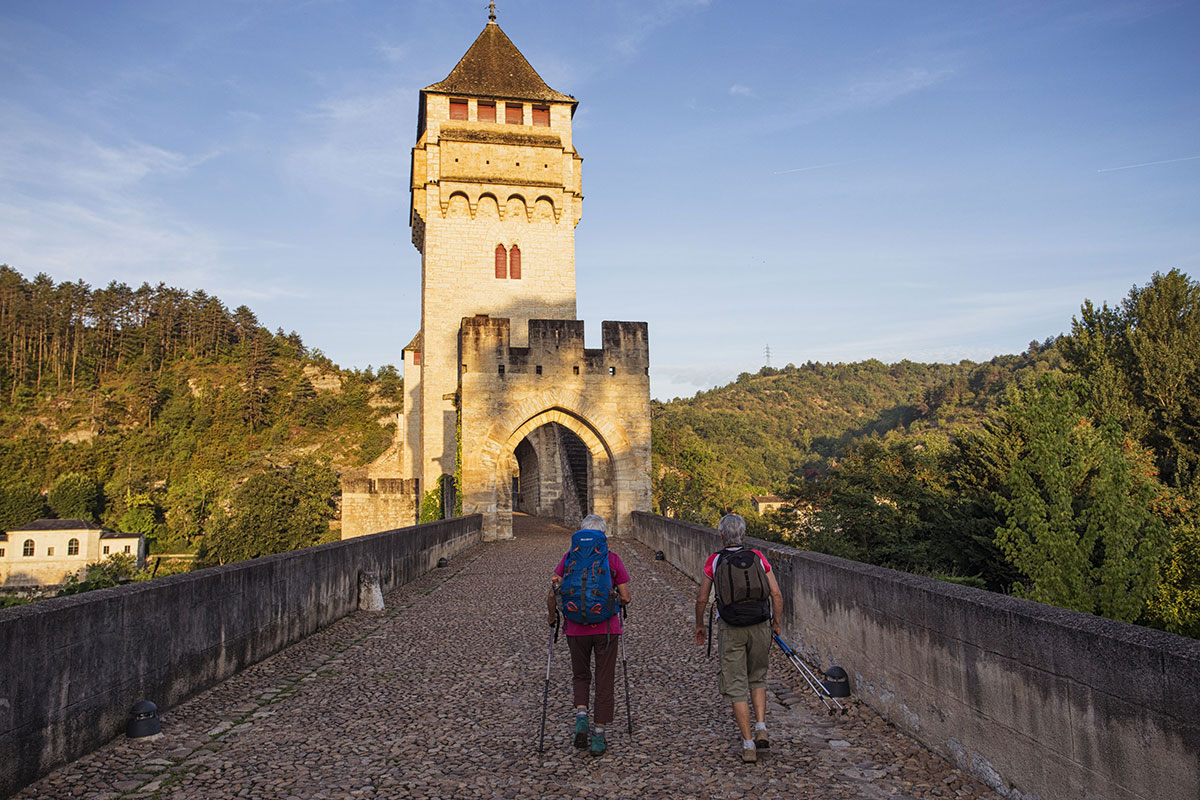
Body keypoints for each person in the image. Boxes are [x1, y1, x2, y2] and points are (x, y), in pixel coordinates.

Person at [693, 513, 783, 763]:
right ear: (743, 535)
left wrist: (700, 625)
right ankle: (762, 727)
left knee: (735, 685)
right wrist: (776, 624)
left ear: (721, 536)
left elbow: (702, 599)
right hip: (759, 623)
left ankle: (748, 744)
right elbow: (776, 594)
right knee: (757, 677)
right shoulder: (758, 557)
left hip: (731, 627)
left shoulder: (714, 560)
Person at [547, 514, 631, 756]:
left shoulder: (569, 558)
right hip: (606, 629)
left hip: (575, 628)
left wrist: (552, 618)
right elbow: (625, 596)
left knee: (581, 675)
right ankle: (598, 736)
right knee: (605, 679)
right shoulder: (612, 559)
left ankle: (581, 716)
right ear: (603, 535)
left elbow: (554, 591)